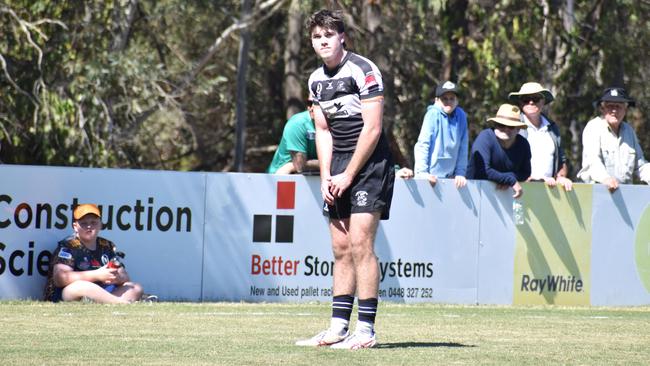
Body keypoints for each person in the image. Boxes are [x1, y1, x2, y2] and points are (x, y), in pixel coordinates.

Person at [295, 9, 395, 350]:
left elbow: (373, 127)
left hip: (369, 164)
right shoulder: (314, 81)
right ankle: (338, 327)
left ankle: (365, 331)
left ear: (342, 38)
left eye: (328, 35)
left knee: (360, 244)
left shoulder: (364, 70)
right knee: (339, 248)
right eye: (316, 37)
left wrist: (349, 173)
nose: (322, 41)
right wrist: (326, 176)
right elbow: (322, 131)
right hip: (336, 165)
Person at [43, 204, 146, 304]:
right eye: (84, 223)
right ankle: (121, 303)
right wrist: (97, 275)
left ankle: (107, 302)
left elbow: (125, 276)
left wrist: (116, 277)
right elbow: (60, 279)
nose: (89, 226)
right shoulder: (68, 246)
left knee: (135, 287)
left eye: (93, 222)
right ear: (75, 226)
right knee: (81, 286)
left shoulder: (106, 245)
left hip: (103, 291)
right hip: (69, 293)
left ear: (100, 224)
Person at [577, 87, 650, 191]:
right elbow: (593, 161)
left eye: (618, 107)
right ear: (602, 109)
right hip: (596, 193)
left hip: (624, 195)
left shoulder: (629, 131)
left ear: (625, 110)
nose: (614, 111)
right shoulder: (594, 127)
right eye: (610, 106)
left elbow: (640, 165)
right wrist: (606, 179)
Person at [508, 82, 573, 191]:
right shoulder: (513, 126)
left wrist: (561, 177)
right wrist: (521, 177)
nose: (531, 102)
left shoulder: (553, 128)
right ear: (520, 102)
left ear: (543, 102)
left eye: (536, 98)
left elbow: (561, 160)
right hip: (519, 188)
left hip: (549, 190)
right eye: (526, 99)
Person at [467, 104, 532, 198]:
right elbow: (482, 170)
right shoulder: (485, 138)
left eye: (511, 126)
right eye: (501, 125)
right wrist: (509, 180)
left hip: (504, 198)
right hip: (475, 195)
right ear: (495, 125)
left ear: (518, 129)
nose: (505, 129)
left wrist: (507, 178)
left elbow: (526, 172)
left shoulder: (523, 144)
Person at [412, 80, 468, 188]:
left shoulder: (461, 116)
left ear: (457, 101)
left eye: (452, 99)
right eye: (444, 99)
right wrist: (422, 173)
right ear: (437, 100)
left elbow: (463, 146)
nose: (448, 102)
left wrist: (460, 173)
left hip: (450, 180)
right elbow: (423, 144)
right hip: (429, 178)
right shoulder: (432, 114)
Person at [267, 99, 319, 174]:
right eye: (309, 104)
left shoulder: (338, 124)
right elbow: (299, 165)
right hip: (281, 177)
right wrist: (327, 165)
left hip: (318, 176)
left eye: (318, 103)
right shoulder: (297, 123)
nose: (311, 108)